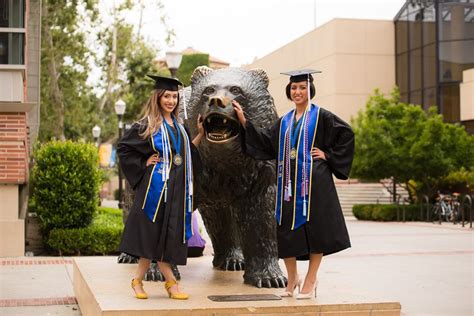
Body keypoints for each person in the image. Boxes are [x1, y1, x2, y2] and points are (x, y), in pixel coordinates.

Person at [232, 69, 354, 299]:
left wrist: (328, 155)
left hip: (314, 183)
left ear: (310, 90)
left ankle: (311, 279)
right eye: (294, 88)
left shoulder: (322, 117)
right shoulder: (285, 121)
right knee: (286, 231)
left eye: (302, 87)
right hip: (287, 185)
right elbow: (266, 142)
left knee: (316, 231)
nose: (297, 92)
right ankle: (292, 278)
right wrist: (244, 122)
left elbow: (347, 135)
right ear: (289, 91)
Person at [117, 75, 204, 300]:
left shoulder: (181, 128)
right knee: (152, 235)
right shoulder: (148, 125)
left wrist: (200, 135)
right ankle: (170, 284)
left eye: (175, 96)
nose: (171, 101)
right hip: (155, 191)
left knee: (167, 237)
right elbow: (124, 148)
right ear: (158, 97)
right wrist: (143, 163)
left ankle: (138, 281)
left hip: (176, 192)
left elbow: (184, 156)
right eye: (167, 96)